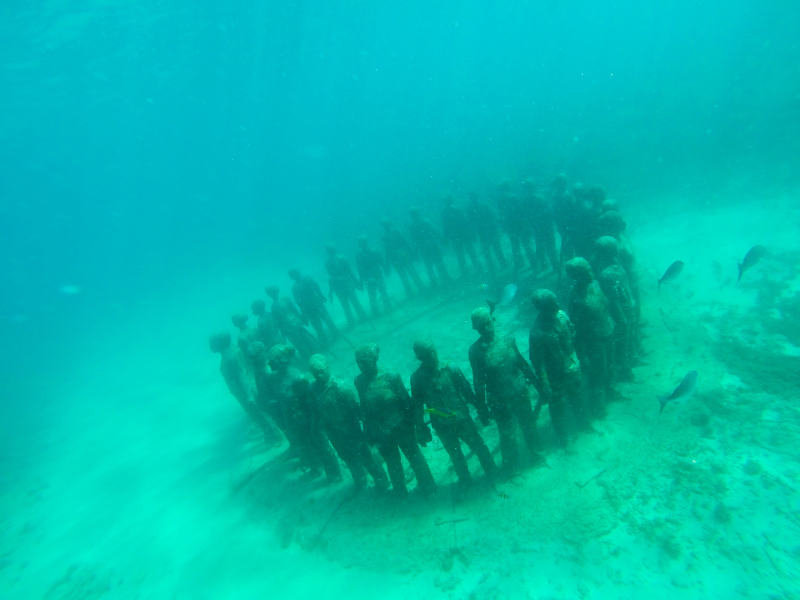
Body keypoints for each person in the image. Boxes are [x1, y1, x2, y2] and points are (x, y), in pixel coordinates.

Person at [354, 343, 436, 497]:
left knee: (414, 456)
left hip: (401, 427)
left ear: (374, 360)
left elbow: (406, 402)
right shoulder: (359, 382)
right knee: (392, 462)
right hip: (381, 433)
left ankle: (428, 485)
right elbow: (365, 408)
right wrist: (369, 433)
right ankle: (400, 491)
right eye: (358, 362)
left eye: (364, 361)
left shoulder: (391, 377)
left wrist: (415, 426)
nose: (361, 366)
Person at [410, 340, 496, 485]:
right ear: (420, 358)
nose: (433, 356)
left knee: (478, 446)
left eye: (433, 352)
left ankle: (492, 471)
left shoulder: (450, 368)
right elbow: (418, 405)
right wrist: (421, 428)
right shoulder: (417, 379)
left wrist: (481, 409)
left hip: (462, 419)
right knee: (455, 455)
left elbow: (466, 390)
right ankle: (466, 480)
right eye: (427, 355)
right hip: (442, 425)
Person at [468, 307, 543, 471]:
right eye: (482, 327)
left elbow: (521, 363)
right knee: (507, 433)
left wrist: (537, 383)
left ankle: (536, 453)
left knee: (529, 424)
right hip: (499, 400)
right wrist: (482, 409)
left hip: (519, 391)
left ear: (492, 320)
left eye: (487, 323)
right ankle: (512, 467)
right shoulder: (475, 352)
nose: (486, 329)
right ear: (477, 329)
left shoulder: (507, 338)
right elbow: (478, 382)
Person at [308, 354, 389, 490]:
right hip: (333, 433)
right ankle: (360, 479)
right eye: (315, 373)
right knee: (347, 457)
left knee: (366, 456)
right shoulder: (312, 389)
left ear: (328, 368)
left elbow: (358, 411)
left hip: (351, 431)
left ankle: (381, 480)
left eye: (321, 371)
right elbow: (315, 410)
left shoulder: (341, 388)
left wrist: (369, 430)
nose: (319, 375)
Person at [528, 290, 587, 446]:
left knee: (577, 398)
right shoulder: (537, 333)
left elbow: (572, 335)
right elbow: (538, 362)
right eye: (552, 303)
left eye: (556, 301)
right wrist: (545, 384)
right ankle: (564, 439)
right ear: (543, 308)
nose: (557, 304)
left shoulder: (562, 315)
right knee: (558, 408)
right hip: (555, 376)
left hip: (572, 368)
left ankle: (584, 425)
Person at [565, 258, 615, 415]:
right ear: (576, 276)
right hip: (593, 341)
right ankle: (598, 405)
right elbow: (576, 329)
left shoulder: (595, 284)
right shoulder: (576, 299)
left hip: (607, 331)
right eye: (585, 271)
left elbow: (604, 307)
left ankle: (611, 392)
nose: (590, 272)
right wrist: (582, 353)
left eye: (589, 268)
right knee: (597, 373)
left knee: (609, 365)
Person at [209, 332, 278, 442]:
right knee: (257, 412)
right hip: (245, 389)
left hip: (245, 391)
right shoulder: (233, 351)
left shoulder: (230, 357)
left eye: (212, 342)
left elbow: (242, 374)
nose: (210, 345)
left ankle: (273, 435)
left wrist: (249, 395)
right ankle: (271, 433)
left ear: (220, 343)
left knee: (257, 413)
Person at [593, 237, 635, 380]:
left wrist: (632, 301)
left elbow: (626, 284)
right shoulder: (606, 274)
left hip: (627, 305)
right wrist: (621, 317)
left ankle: (626, 364)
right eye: (614, 247)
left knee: (627, 336)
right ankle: (623, 369)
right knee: (621, 339)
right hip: (619, 312)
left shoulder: (616, 265)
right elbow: (612, 299)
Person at [265, 285, 319, 359]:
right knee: (301, 343)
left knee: (304, 341)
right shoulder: (276, 305)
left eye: (272, 292)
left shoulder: (276, 305)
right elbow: (280, 320)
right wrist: (301, 319)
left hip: (293, 325)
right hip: (292, 325)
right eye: (271, 293)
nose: (272, 294)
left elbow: (293, 310)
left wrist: (302, 319)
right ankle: (311, 357)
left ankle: (313, 355)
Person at [288, 268, 338, 346]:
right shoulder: (296, 287)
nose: (294, 276)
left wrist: (321, 295)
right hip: (311, 307)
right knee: (318, 324)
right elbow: (298, 301)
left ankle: (334, 334)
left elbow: (315, 287)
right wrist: (303, 311)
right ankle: (325, 339)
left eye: (294, 274)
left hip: (315, 304)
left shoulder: (302, 282)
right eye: (293, 275)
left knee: (326, 320)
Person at [408, 207, 451, 287]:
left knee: (429, 265)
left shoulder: (412, 226)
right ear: (418, 213)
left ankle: (434, 282)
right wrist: (441, 239)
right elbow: (434, 231)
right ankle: (445, 278)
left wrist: (415, 251)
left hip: (423, 247)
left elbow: (413, 240)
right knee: (438, 262)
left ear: (411, 216)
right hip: (432, 244)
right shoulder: (425, 221)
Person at [325, 245, 367, 326]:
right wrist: (356, 282)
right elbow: (349, 271)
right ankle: (360, 317)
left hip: (341, 285)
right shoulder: (340, 258)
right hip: (345, 284)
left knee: (348, 304)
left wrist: (356, 282)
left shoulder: (329, 262)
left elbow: (332, 276)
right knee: (352, 302)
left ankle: (354, 320)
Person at [381, 219, 424, 297]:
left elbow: (387, 251)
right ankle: (419, 287)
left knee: (406, 274)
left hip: (398, 257)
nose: (386, 227)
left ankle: (413, 290)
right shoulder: (394, 232)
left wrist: (387, 265)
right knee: (410, 272)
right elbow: (404, 243)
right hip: (402, 255)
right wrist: (412, 253)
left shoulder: (386, 236)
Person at [441, 196, 482, 277]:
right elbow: (465, 222)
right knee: (471, 252)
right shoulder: (457, 209)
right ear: (451, 200)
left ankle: (465, 271)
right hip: (463, 234)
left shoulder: (444, 212)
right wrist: (471, 234)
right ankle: (477, 268)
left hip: (454, 237)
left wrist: (445, 238)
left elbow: (445, 227)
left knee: (460, 254)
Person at [467, 192, 507, 272]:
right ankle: (501, 264)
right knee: (495, 249)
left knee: (489, 251)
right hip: (488, 231)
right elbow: (494, 216)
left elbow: (471, 223)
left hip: (485, 232)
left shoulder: (471, 209)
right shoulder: (483, 206)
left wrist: (474, 233)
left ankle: (493, 266)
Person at [355, 235, 391, 316]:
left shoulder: (359, 255)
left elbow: (360, 269)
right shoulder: (373, 250)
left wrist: (361, 281)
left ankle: (377, 311)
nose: (359, 244)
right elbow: (381, 261)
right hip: (375, 275)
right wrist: (385, 269)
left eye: (360, 243)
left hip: (371, 277)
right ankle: (385, 308)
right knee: (379, 293)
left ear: (363, 243)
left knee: (374, 295)